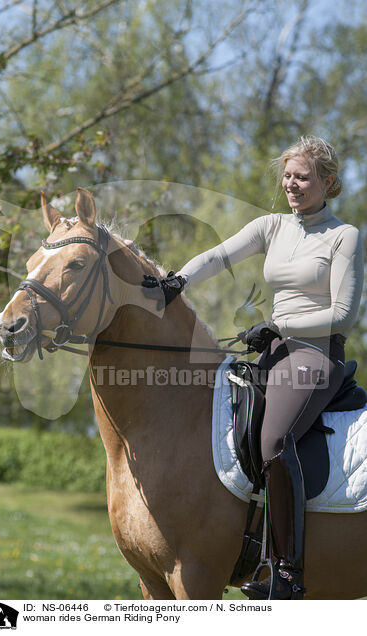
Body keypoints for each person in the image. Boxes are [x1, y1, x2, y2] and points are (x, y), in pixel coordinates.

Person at [142, 136, 364, 599]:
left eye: (302, 177)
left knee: (274, 441)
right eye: (287, 175)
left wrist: (280, 322)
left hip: (316, 356)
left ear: (327, 182)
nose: (292, 184)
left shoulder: (344, 236)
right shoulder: (273, 226)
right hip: (274, 353)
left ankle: (287, 572)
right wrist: (175, 281)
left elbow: (344, 314)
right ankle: (244, 548)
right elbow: (221, 255)